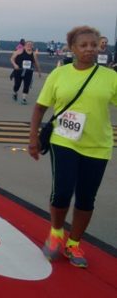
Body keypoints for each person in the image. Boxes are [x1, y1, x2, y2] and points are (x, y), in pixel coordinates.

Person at [28, 25, 117, 268]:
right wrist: (33, 137)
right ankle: (56, 233)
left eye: (94, 44)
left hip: (98, 145)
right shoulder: (60, 74)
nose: (89, 49)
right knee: (62, 192)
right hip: (63, 140)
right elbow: (40, 107)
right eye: (83, 45)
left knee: (87, 198)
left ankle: (74, 243)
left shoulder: (111, 77)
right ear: (72, 48)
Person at [10, 40, 41, 105]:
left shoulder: (33, 54)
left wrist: (39, 72)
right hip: (19, 71)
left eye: (31, 45)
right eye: (28, 44)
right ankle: (15, 93)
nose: (29, 46)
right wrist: (15, 65)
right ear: (25, 45)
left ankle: (24, 99)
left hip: (28, 72)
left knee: (27, 85)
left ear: (32, 46)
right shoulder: (20, 51)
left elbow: (36, 63)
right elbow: (12, 59)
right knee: (17, 85)